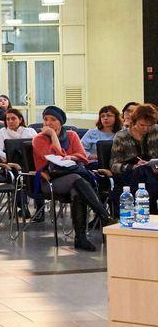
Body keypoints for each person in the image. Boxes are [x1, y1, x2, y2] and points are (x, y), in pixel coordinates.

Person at [33, 105, 114, 251]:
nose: (48, 123)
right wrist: (53, 135)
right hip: (49, 180)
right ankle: (104, 216)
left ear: (61, 122)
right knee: (76, 179)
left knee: (77, 189)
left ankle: (80, 238)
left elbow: (83, 157)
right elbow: (56, 158)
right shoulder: (38, 139)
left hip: (73, 178)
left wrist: (71, 157)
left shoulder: (72, 135)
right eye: (45, 119)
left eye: (53, 119)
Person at [110, 103, 158, 214]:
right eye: (142, 125)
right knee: (142, 171)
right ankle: (152, 212)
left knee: (146, 171)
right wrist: (133, 166)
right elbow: (114, 165)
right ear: (134, 121)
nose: (146, 128)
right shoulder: (121, 136)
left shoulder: (156, 131)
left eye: (149, 125)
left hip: (154, 173)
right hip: (130, 175)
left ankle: (147, 212)